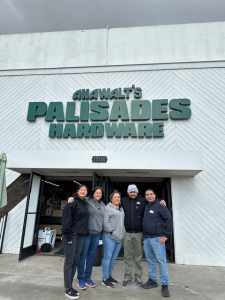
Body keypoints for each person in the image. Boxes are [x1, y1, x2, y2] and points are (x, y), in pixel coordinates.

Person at [121, 184, 166, 287]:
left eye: (134, 191)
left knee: (138, 257)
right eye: (131, 192)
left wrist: (161, 200)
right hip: (127, 233)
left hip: (139, 234)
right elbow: (113, 203)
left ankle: (138, 277)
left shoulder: (143, 200)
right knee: (127, 256)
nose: (133, 193)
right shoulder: (123, 201)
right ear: (128, 193)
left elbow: (152, 200)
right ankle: (127, 277)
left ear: (137, 192)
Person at [68, 186, 105, 290]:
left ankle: (88, 278)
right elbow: (80, 196)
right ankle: (80, 279)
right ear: (93, 194)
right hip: (87, 233)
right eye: (96, 193)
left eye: (100, 193)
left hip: (97, 234)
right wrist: (71, 197)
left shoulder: (102, 204)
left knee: (91, 256)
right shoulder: (88, 200)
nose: (98, 194)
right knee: (82, 255)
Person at [142, 189, 173, 298]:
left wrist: (166, 235)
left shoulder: (160, 206)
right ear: (145, 197)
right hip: (147, 238)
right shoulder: (146, 205)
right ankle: (152, 280)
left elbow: (169, 220)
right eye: (147, 195)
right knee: (150, 261)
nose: (149, 196)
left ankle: (164, 284)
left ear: (155, 195)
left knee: (161, 261)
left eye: (151, 194)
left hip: (157, 238)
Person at [62, 184, 89, 299]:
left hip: (81, 236)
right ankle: (67, 288)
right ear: (77, 191)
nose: (83, 191)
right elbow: (66, 220)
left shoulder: (84, 203)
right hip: (71, 236)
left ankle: (70, 286)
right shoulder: (72, 202)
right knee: (69, 262)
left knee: (75, 261)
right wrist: (68, 237)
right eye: (81, 190)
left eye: (85, 190)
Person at [102, 190, 126, 288]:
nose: (117, 198)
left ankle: (109, 276)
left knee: (113, 258)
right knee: (107, 257)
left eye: (118, 197)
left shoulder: (121, 208)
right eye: (115, 197)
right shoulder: (107, 208)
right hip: (109, 237)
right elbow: (105, 222)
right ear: (111, 199)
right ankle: (105, 278)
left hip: (119, 238)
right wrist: (111, 231)